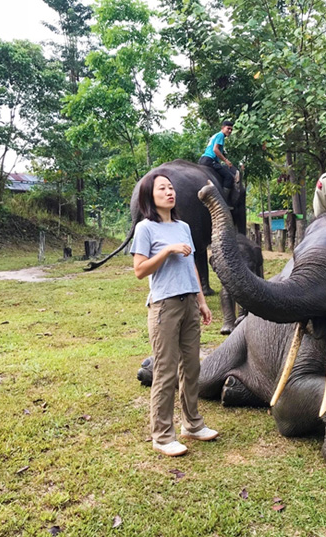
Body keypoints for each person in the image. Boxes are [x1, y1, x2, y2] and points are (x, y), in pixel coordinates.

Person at [130, 171, 217, 457]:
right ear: (149, 196)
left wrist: (201, 301)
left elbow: (191, 265)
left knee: (191, 367)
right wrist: (166, 251)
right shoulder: (146, 228)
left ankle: (192, 424)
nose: (170, 192)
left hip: (189, 303)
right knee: (165, 371)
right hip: (164, 306)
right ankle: (163, 435)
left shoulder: (183, 227)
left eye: (171, 188)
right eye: (162, 189)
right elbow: (140, 270)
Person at [199, 120, 237, 206]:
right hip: (210, 160)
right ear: (222, 128)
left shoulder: (215, 135)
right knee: (229, 177)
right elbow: (215, 149)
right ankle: (223, 202)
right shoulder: (220, 135)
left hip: (203, 159)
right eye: (228, 128)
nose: (230, 131)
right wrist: (226, 160)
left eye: (231, 129)